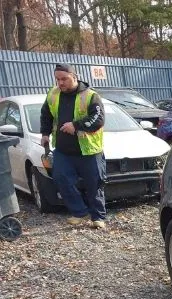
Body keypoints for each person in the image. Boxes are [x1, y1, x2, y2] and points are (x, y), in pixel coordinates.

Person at [40, 63, 107, 229]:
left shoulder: (91, 96)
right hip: (63, 150)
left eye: (64, 79)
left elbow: (98, 120)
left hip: (89, 151)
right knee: (61, 179)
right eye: (57, 79)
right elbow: (46, 115)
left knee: (94, 184)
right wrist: (44, 134)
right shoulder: (53, 94)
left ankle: (98, 217)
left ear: (74, 77)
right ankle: (79, 212)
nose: (60, 83)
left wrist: (76, 125)